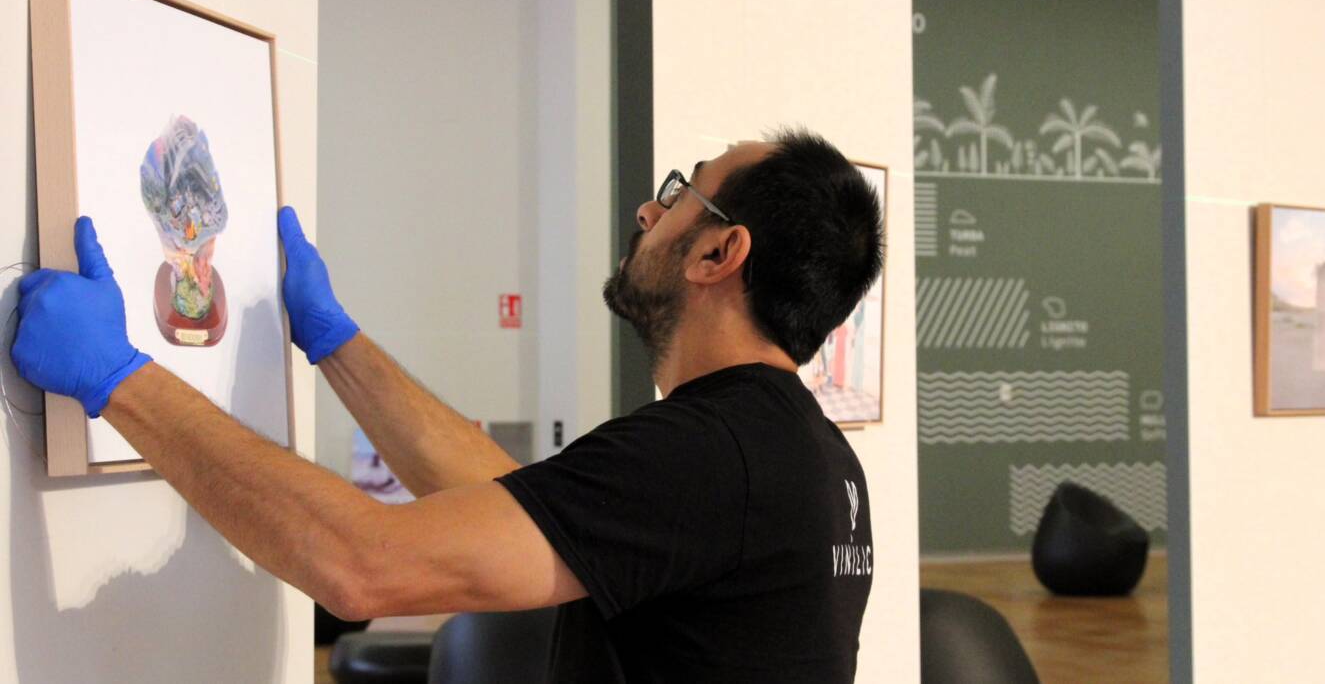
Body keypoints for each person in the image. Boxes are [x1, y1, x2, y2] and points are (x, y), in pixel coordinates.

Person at [10, 128, 883, 682]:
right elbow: (514, 501)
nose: (647, 209)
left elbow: (360, 563)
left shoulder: (707, 452)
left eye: (681, 192)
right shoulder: (802, 451)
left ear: (719, 253)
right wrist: (338, 345)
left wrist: (120, 378)